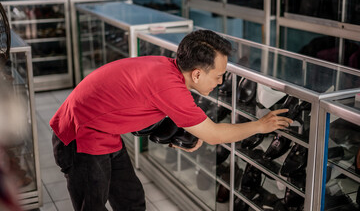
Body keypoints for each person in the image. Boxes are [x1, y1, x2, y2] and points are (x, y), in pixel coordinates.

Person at [50, 29, 292, 211]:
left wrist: (176, 132)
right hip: (79, 136)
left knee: (131, 199)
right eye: (218, 76)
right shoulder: (170, 89)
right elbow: (214, 135)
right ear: (197, 74)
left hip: (103, 131)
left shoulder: (166, 67)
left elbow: (134, 105)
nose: (220, 82)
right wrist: (261, 125)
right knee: (93, 206)